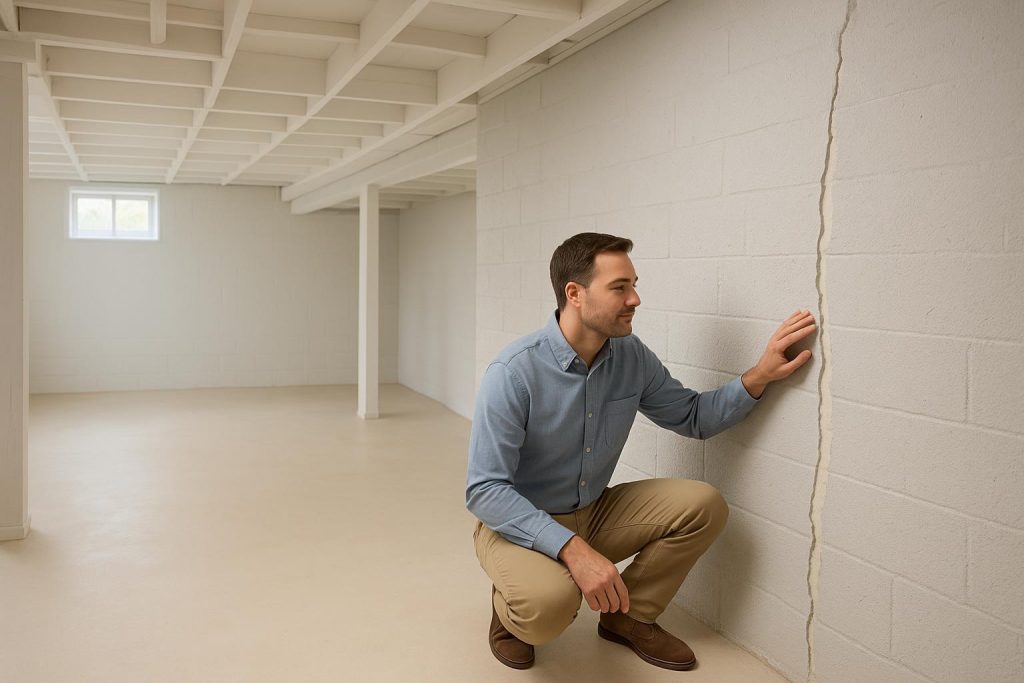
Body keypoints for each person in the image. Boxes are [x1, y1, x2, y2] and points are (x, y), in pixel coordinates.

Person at [465, 232, 816, 670]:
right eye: (619, 287)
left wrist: (759, 376)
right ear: (574, 293)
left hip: (593, 511)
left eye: (633, 284)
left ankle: (627, 618)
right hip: (516, 523)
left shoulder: (631, 357)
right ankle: (511, 612)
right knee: (547, 609)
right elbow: (485, 490)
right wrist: (573, 549)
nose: (635, 298)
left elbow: (694, 416)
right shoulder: (513, 373)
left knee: (703, 505)